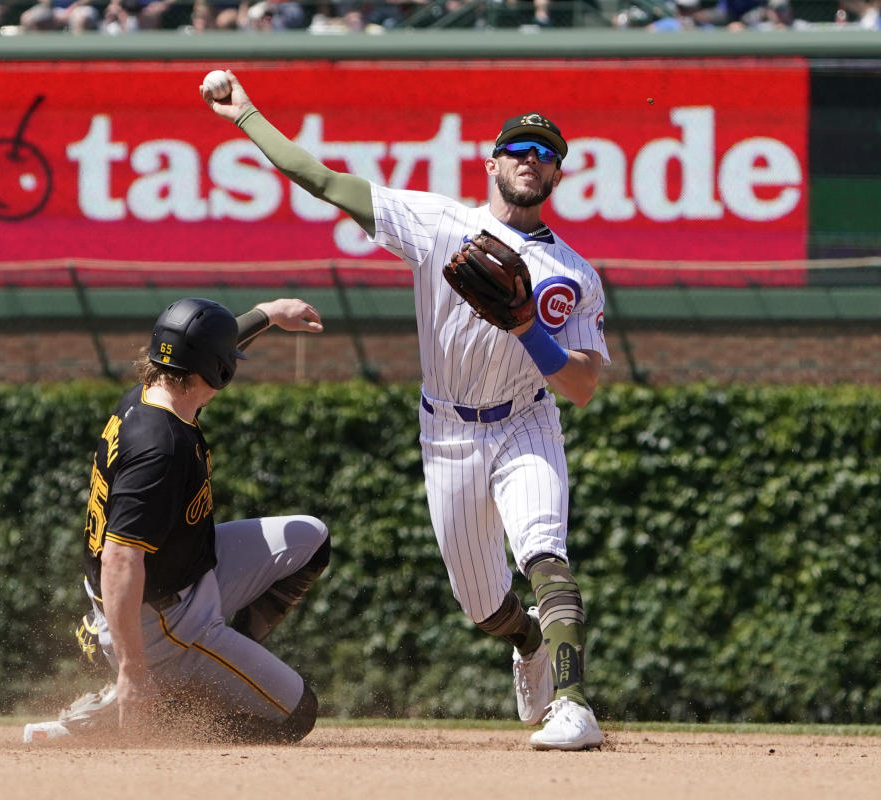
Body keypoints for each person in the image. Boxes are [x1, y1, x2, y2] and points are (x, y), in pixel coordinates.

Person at [200, 71, 609, 750]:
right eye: (520, 150)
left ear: (558, 175)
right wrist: (245, 114)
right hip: (447, 429)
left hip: (525, 421)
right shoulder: (437, 222)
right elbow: (325, 182)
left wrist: (525, 328)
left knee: (546, 549)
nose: (532, 162)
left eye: (546, 155)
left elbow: (584, 386)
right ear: (493, 162)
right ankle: (527, 636)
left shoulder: (572, 273)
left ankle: (573, 705)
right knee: (481, 605)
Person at [24, 297, 331, 744]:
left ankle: (205, 666)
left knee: (310, 539)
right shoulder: (160, 448)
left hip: (188, 574)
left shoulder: (160, 395)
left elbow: (199, 347)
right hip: (162, 618)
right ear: (218, 370)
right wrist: (133, 671)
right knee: (295, 716)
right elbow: (120, 559)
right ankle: (157, 702)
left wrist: (269, 313)